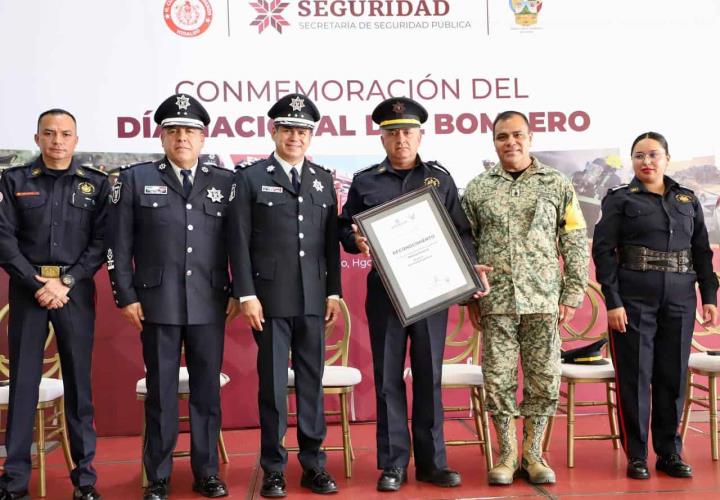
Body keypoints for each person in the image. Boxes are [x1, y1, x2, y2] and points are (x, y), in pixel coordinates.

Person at [338, 97, 490, 492]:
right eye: (392, 133)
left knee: (428, 376)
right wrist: (355, 240)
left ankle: (432, 463)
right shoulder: (365, 181)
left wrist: (469, 266)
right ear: (382, 139)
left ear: (420, 134)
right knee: (388, 379)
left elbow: (462, 233)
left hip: (431, 292)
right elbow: (344, 229)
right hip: (386, 293)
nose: (401, 139)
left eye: (407, 132)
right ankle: (392, 465)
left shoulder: (439, 179)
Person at [106, 94, 239, 499]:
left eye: (190, 131)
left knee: (206, 393)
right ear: (162, 136)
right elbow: (117, 244)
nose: (182, 137)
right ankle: (159, 476)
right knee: (161, 394)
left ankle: (207, 473)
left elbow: (239, 244)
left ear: (203, 138)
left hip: (209, 302)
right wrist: (124, 297)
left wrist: (238, 291)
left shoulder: (225, 182)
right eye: (174, 130)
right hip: (155, 304)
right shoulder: (134, 179)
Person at [461, 110, 589, 485]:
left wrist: (573, 292)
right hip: (496, 302)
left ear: (530, 138)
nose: (510, 142)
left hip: (544, 301)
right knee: (498, 378)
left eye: (517, 135)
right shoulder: (478, 188)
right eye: (502, 137)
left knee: (543, 378)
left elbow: (575, 240)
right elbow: (464, 248)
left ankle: (533, 453)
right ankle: (506, 455)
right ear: (494, 142)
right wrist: (470, 297)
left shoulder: (557, 184)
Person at [229, 94, 342, 497]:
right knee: (273, 388)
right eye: (288, 129)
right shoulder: (250, 177)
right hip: (270, 299)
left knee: (312, 384)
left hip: (314, 299)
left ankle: (314, 465)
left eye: (303, 131)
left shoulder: (323, 179)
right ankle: (274, 468)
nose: (296, 137)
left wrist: (333, 292)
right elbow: (237, 242)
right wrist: (246, 294)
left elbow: (330, 244)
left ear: (311, 135)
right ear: (272, 131)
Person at [592, 131, 718, 480]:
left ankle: (669, 453)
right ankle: (636, 455)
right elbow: (603, 253)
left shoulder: (687, 200)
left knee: (673, 376)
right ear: (632, 161)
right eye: (639, 155)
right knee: (635, 376)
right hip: (633, 298)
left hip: (679, 297)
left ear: (666, 158)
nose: (646, 161)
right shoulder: (619, 199)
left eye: (653, 155)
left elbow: (702, 252)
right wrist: (613, 301)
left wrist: (709, 296)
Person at [0, 109, 108, 500]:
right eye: (49, 133)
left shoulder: (94, 184)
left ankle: (85, 481)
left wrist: (65, 281)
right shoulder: (13, 181)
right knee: (23, 386)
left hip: (73, 291)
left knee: (79, 386)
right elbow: (4, 240)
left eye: (65, 134)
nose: (57, 141)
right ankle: (13, 482)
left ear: (76, 140)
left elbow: (101, 242)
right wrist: (35, 283)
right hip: (29, 292)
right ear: (37, 138)